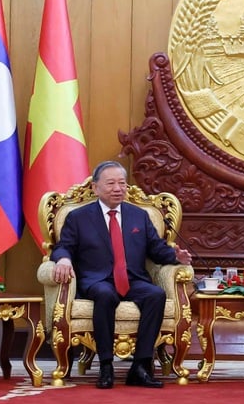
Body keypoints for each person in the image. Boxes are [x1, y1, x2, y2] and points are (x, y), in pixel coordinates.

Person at [51, 160, 192, 390]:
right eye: (111, 183)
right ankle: (106, 365)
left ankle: (141, 366)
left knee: (155, 295)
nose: (118, 188)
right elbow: (63, 246)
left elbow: (156, 249)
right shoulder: (79, 217)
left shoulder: (139, 215)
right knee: (105, 296)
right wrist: (64, 259)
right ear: (96, 188)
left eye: (122, 183)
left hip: (133, 279)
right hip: (97, 280)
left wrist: (177, 257)